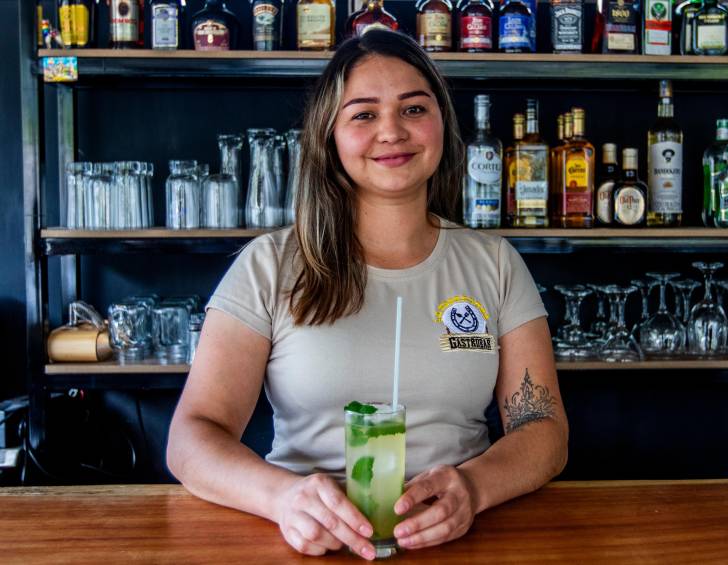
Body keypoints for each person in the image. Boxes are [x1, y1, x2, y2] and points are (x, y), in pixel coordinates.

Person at [167, 29, 568, 560]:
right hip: (309, 545)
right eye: (363, 114)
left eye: (414, 109)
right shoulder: (270, 265)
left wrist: (472, 489)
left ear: (443, 124)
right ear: (329, 136)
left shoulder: (494, 263)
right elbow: (191, 439)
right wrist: (283, 499)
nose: (392, 131)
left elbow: (543, 430)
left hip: (459, 539)